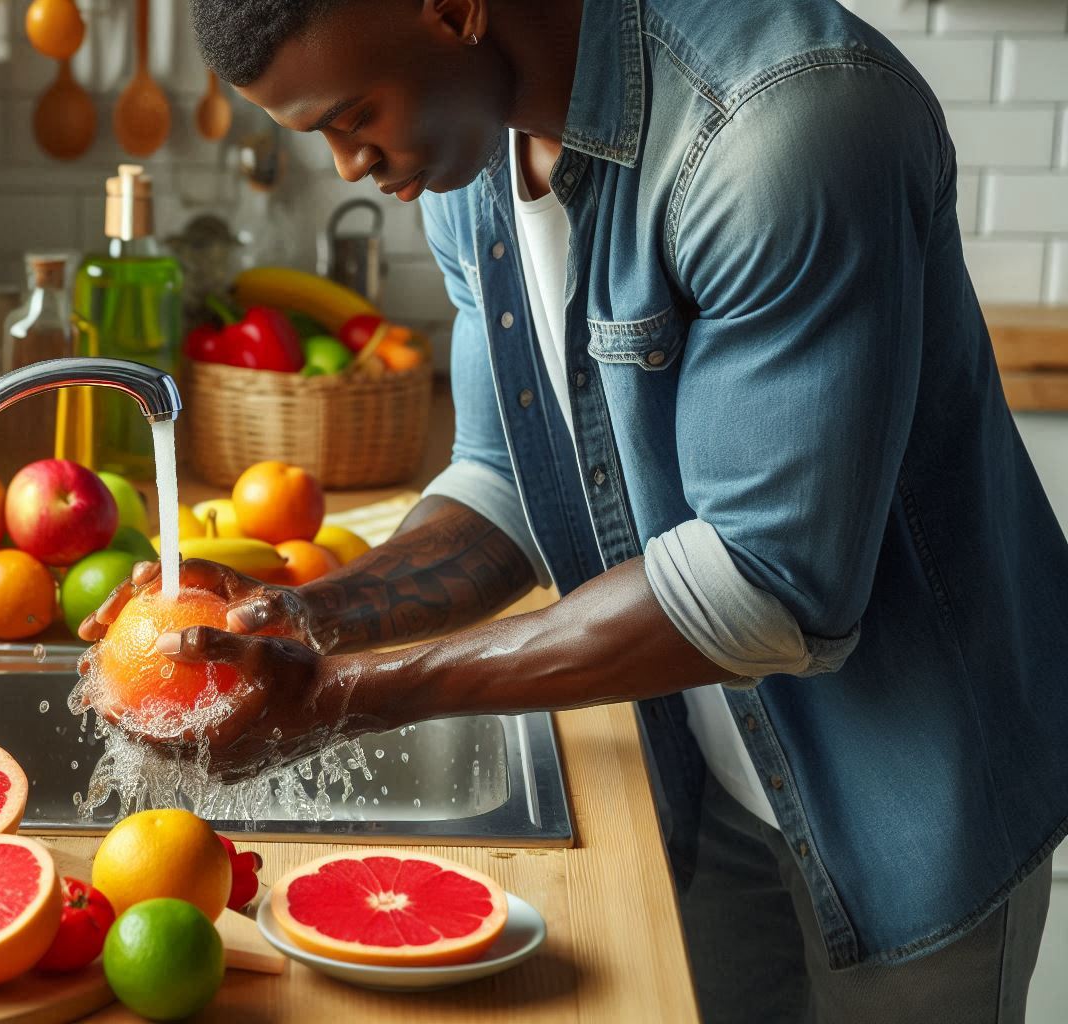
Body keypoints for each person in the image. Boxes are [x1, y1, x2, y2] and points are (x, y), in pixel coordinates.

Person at [78, 1, 1068, 1020]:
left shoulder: (786, 126)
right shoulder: (470, 163)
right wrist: (290, 618)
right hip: (701, 774)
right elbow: (510, 477)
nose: (349, 165)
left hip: (907, 796)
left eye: (351, 114)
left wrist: (338, 700)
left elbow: (770, 584)